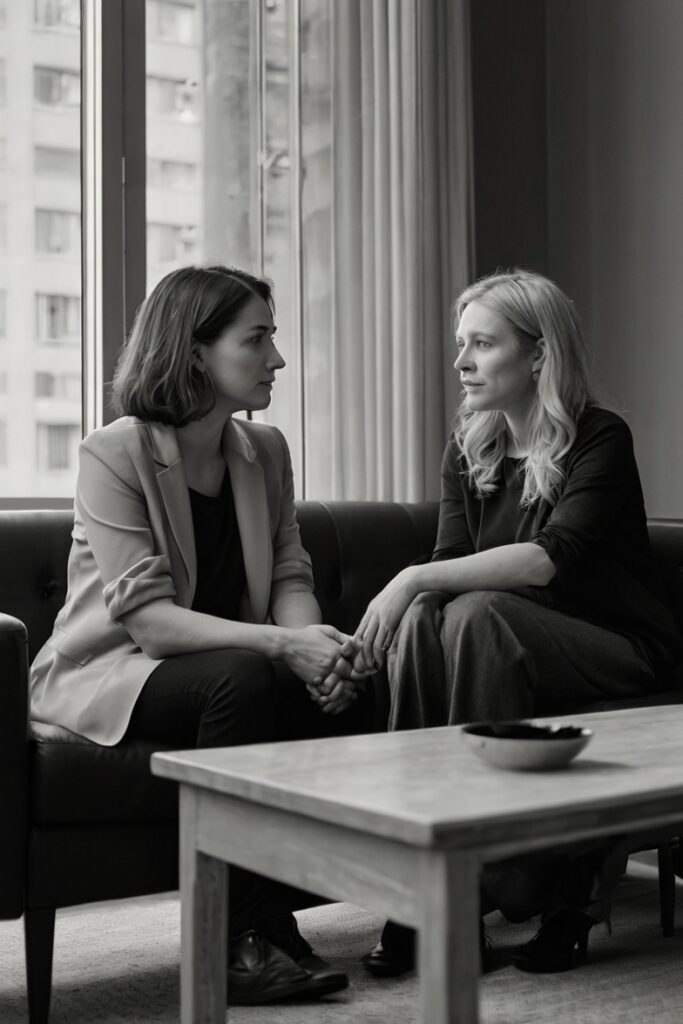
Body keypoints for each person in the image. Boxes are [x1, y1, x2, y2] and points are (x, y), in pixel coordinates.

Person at [29, 264, 374, 1006]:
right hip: (111, 673)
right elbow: (150, 622)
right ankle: (232, 940)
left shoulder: (265, 451)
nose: (277, 358)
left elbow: (289, 576)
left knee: (352, 677)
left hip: (217, 664)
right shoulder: (113, 453)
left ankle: (295, 921)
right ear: (195, 352)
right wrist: (283, 648)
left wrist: (317, 651)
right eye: (257, 340)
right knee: (243, 678)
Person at [332, 269, 683, 976]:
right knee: (433, 617)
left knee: (473, 612)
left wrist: (408, 578)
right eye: (461, 343)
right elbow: (450, 566)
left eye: (482, 344)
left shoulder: (599, 436)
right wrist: (394, 623)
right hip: (502, 642)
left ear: (538, 354)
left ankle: (479, 884)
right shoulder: (469, 446)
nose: (461, 361)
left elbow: (549, 561)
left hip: (613, 645)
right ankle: (422, 886)